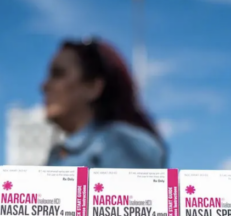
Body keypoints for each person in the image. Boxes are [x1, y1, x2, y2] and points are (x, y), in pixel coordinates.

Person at [42, 37, 167, 168]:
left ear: (93, 87)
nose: (44, 86)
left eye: (58, 74)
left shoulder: (119, 144)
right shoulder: (57, 154)